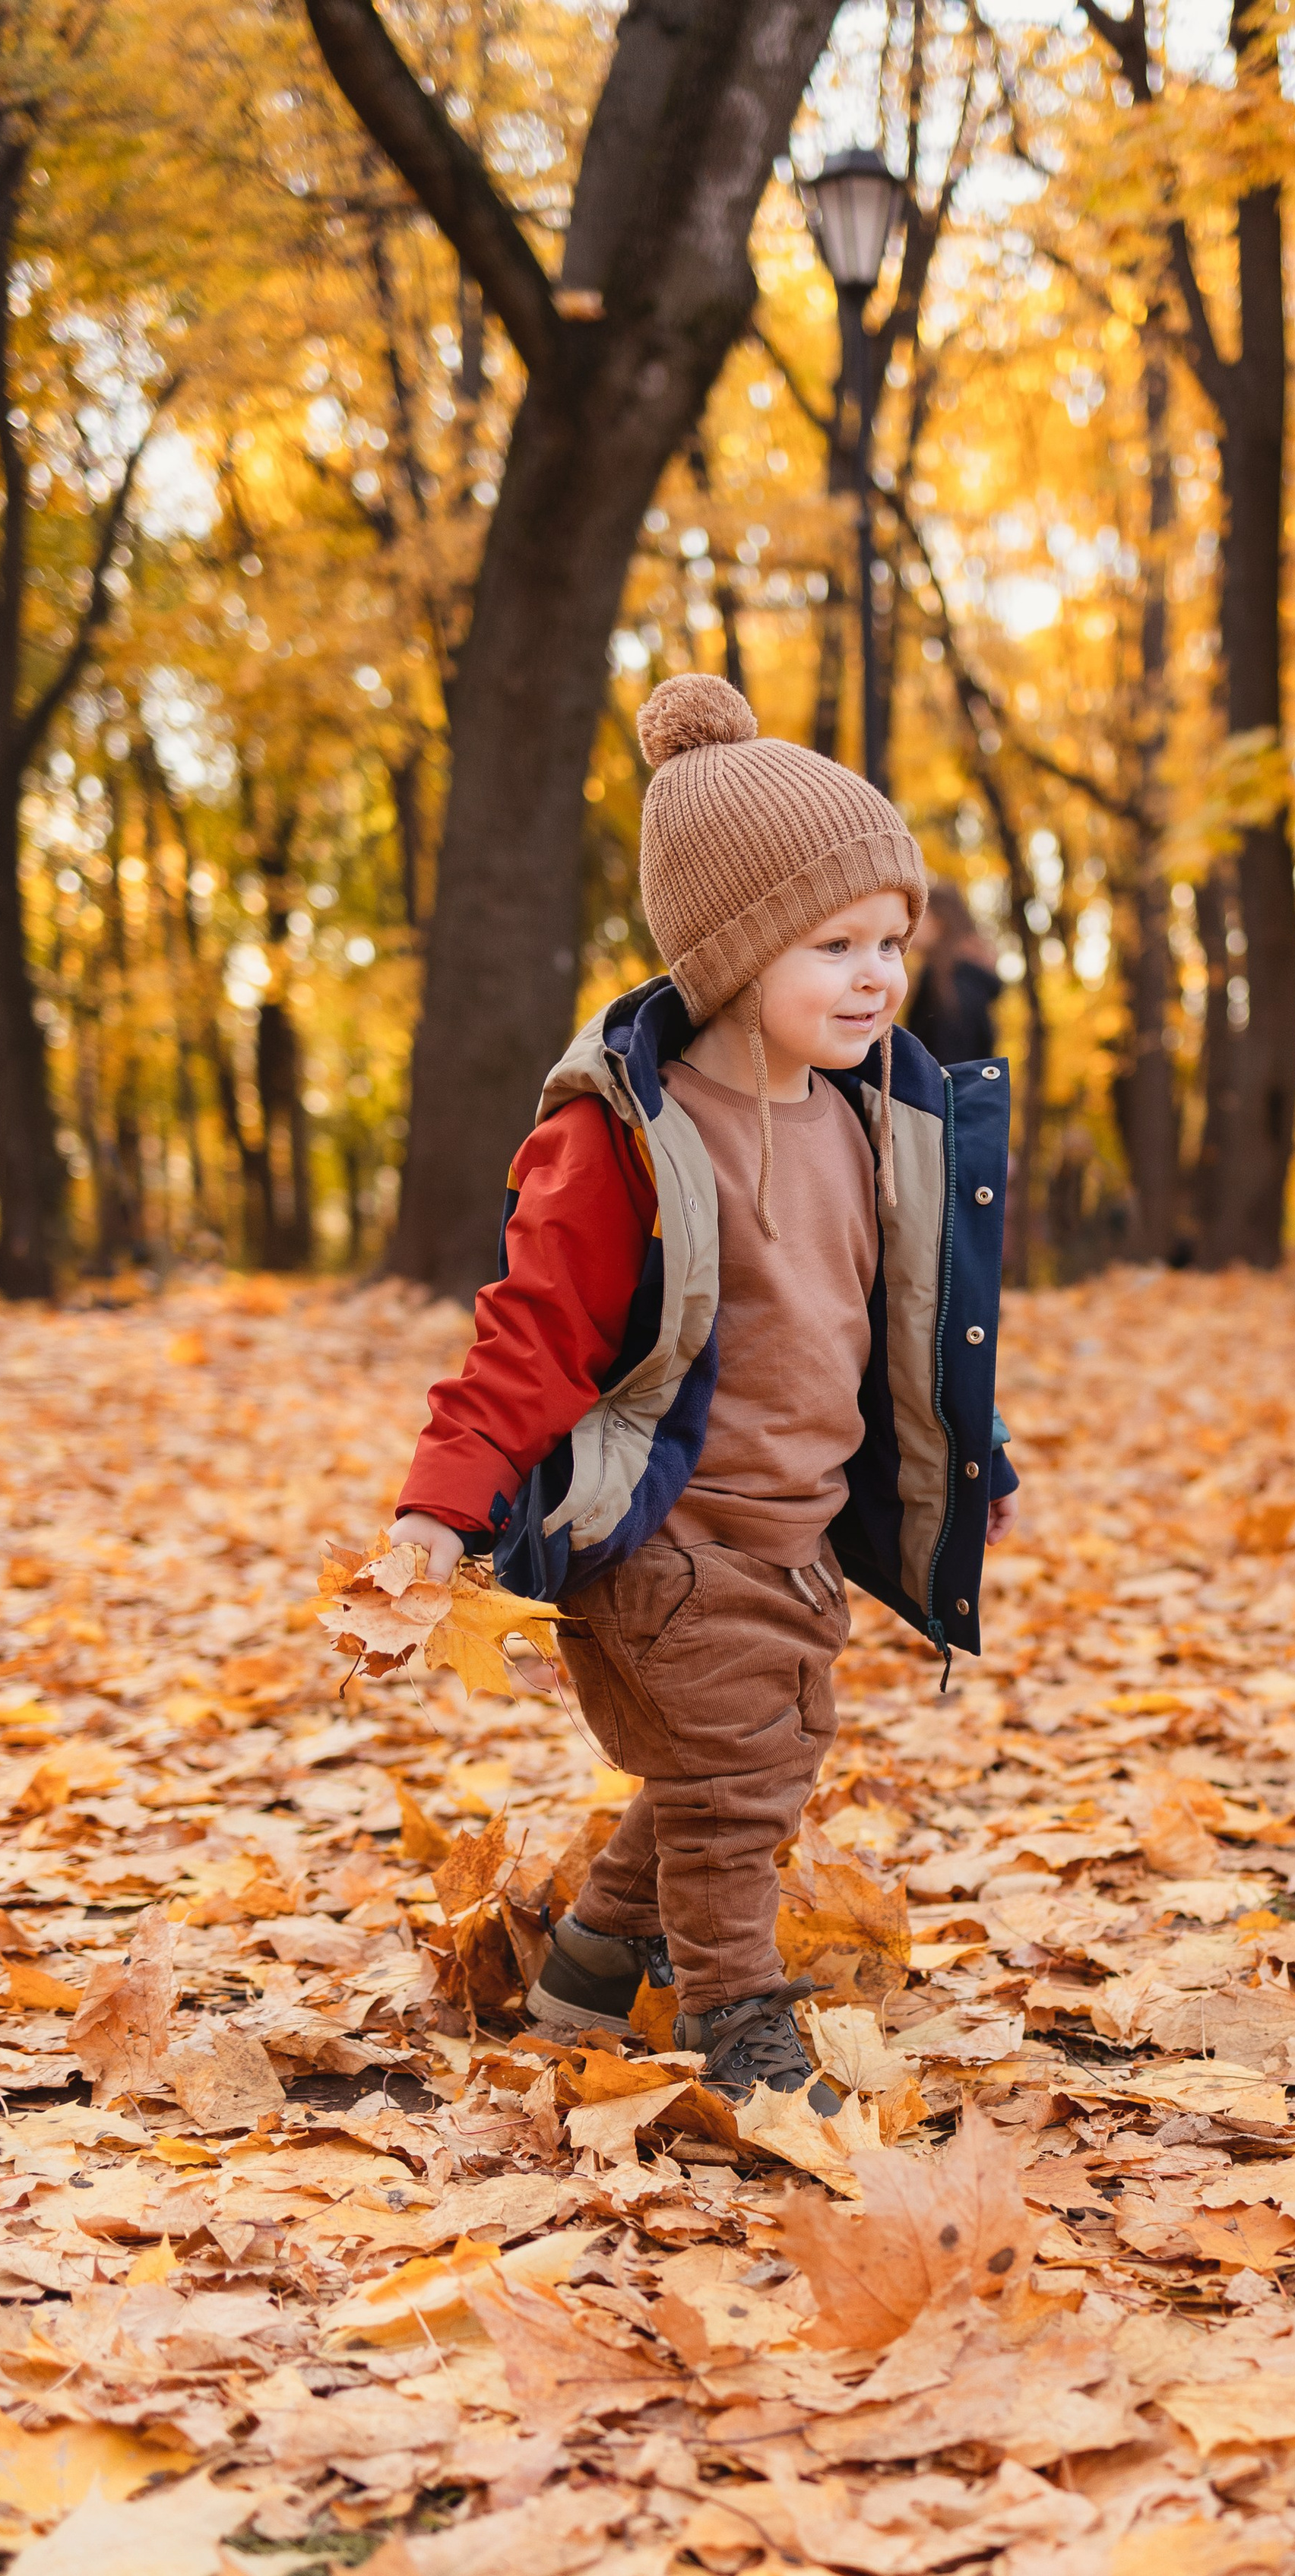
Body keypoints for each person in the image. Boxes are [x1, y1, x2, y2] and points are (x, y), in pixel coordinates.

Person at [386, 675, 1019, 2106]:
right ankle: (745, 2035)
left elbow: (900, 1328)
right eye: (834, 945)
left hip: (793, 1541)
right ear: (731, 954)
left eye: (890, 942)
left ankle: (581, 1985)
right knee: (737, 1791)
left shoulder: (872, 1114)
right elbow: (528, 1334)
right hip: (661, 1535)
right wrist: (441, 1511)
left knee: (726, 1772)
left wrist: (977, 1465)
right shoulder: (624, 1135)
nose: (877, 978)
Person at [904, 878, 1002, 1068]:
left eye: (918, 914)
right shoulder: (948, 980)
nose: (909, 922)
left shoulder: (953, 986)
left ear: (941, 922)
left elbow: (947, 1068)